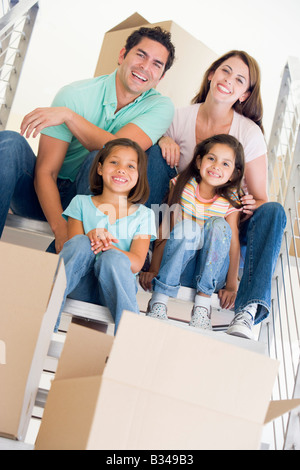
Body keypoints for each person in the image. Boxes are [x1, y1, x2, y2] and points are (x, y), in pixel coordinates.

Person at [144, 50, 287, 340]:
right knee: (151, 154)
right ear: (211, 74)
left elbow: (260, 199)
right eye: (225, 71)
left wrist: (245, 204)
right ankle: (142, 253)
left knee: (274, 211)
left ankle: (246, 310)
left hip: (225, 217)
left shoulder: (248, 133)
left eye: (239, 79)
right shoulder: (179, 117)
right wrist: (162, 137)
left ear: (245, 93)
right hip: (183, 214)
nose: (228, 81)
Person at [0, 26, 175, 253]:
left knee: (102, 157)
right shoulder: (75, 95)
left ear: (160, 77)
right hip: (46, 194)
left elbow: (115, 151)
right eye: (141, 55)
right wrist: (62, 230)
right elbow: (46, 173)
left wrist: (69, 117)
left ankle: (103, 255)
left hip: (93, 202)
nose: (145, 67)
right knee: (9, 142)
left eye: (156, 64)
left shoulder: (160, 107)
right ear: (123, 55)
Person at [140, 134, 245, 331]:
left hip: (211, 273)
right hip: (178, 266)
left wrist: (231, 285)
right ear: (199, 161)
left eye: (225, 164)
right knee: (188, 228)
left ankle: (202, 308)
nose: (216, 167)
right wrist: (154, 269)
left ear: (233, 174)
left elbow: (233, 243)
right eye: (211, 159)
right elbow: (166, 229)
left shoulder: (231, 199)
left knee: (218, 225)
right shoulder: (183, 185)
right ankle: (159, 301)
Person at [56, 138, 157, 335]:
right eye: (114, 162)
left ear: (139, 176)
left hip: (115, 288)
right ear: (100, 168)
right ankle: (46, 314)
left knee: (112, 258)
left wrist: (109, 247)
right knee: (81, 242)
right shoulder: (81, 203)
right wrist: (91, 235)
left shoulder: (144, 215)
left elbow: (136, 263)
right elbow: (73, 249)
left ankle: (130, 338)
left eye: (130, 166)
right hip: (79, 284)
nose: (121, 170)